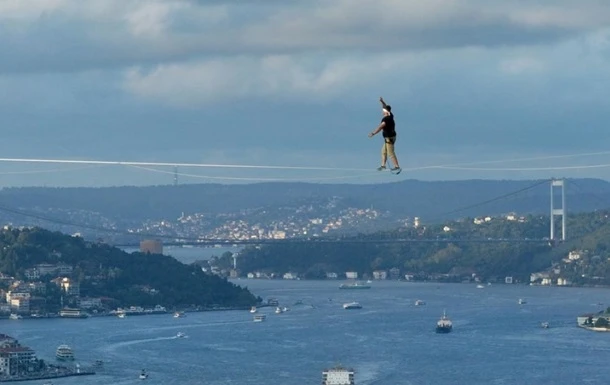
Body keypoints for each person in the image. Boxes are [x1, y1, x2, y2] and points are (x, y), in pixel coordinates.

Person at [368, 97, 401, 174]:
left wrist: (373, 133)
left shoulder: (386, 120)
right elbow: (385, 107)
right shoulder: (390, 115)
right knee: (383, 151)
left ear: (386, 112)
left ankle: (397, 167)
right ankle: (383, 166)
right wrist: (382, 102)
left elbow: (380, 127)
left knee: (390, 152)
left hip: (389, 138)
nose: (382, 112)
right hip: (391, 137)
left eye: (383, 111)